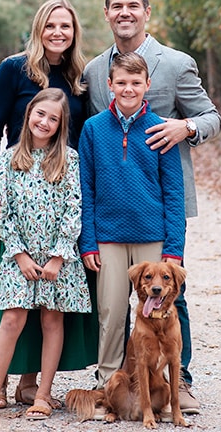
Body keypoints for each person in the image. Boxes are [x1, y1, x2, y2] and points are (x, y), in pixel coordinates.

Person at [84, 0, 221, 414]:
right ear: (107, 13)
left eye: (133, 6)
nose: (125, 13)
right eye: (117, 7)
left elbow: (211, 117)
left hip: (157, 209)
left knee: (168, 295)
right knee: (110, 306)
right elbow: (92, 144)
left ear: (146, 11)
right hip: (110, 215)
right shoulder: (92, 70)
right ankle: (114, 384)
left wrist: (186, 128)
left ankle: (179, 381)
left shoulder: (177, 63)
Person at [0, 0, 98, 415]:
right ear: (38, 27)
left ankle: (35, 387)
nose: (58, 33)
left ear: (74, 31)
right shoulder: (14, 69)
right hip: (18, 194)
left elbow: (90, 132)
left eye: (66, 26)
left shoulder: (81, 76)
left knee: (51, 309)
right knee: (15, 300)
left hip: (63, 187)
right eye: (50, 25)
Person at [79, 52, 186, 389]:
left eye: (135, 83)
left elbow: (173, 193)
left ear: (147, 85)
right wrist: (88, 242)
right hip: (107, 237)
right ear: (109, 85)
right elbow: (86, 188)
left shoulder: (161, 128)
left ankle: (159, 386)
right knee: (110, 313)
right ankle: (109, 382)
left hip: (151, 236)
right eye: (121, 83)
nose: (128, 89)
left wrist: (173, 248)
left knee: (159, 312)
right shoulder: (93, 129)